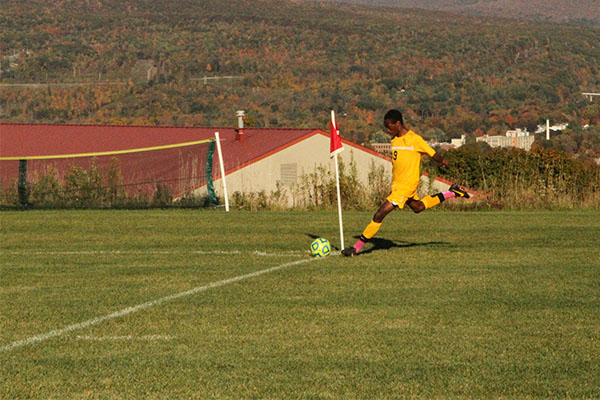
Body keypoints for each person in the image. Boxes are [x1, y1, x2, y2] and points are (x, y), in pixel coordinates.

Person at [341, 109, 470, 257]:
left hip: (406, 186)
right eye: (386, 128)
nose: (388, 131)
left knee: (379, 215)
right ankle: (452, 192)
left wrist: (442, 162)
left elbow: (432, 153)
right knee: (418, 207)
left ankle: (356, 249)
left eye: (390, 127)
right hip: (398, 185)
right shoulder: (394, 140)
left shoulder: (414, 139)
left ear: (398, 123)